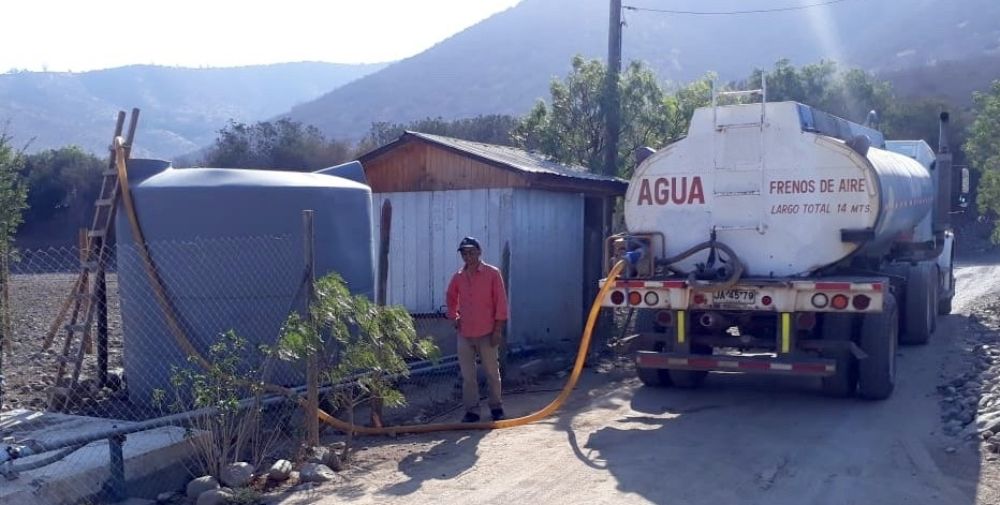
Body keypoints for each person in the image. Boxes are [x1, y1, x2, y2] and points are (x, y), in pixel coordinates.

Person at [446, 236, 508, 423]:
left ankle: (496, 407)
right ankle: (472, 411)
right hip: (465, 333)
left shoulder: (492, 273)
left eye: (471, 252)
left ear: (479, 252)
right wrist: (454, 316)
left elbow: (501, 302)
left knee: (492, 372)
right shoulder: (458, 277)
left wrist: (498, 330)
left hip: (487, 332)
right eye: (464, 253)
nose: (468, 256)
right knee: (468, 376)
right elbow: (450, 297)